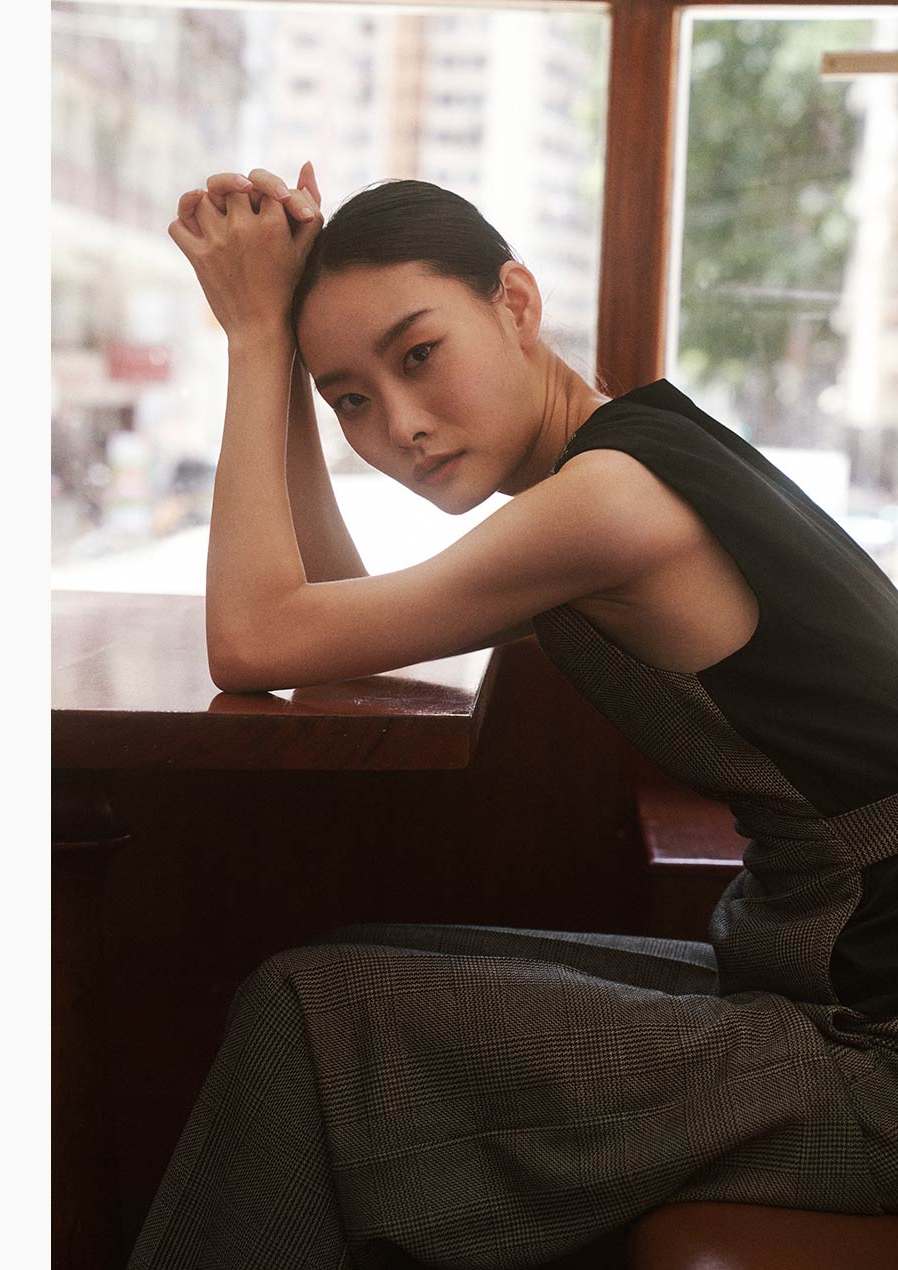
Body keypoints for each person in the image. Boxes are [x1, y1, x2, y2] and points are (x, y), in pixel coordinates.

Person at [128, 168, 898, 1267]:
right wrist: (282, 364)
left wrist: (256, 341)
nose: (397, 425)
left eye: (417, 354)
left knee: (305, 1011)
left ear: (516, 302)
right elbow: (324, 615)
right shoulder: (617, 461)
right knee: (338, 971)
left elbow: (254, 637)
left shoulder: (604, 505)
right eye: (348, 398)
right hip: (818, 987)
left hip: (871, 1055)